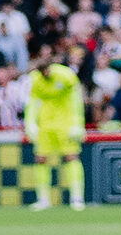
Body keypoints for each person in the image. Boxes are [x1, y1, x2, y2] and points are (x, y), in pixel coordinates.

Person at [24, 46, 86, 211]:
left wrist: (77, 123)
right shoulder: (35, 79)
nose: (45, 74)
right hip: (45, 125)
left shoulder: (66, 75)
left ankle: (77, 197)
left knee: (71, 157)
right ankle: (43, 199)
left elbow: (76, 100)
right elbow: (32, 103)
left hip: (65, 123)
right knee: (41, 159)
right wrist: (30, 123)